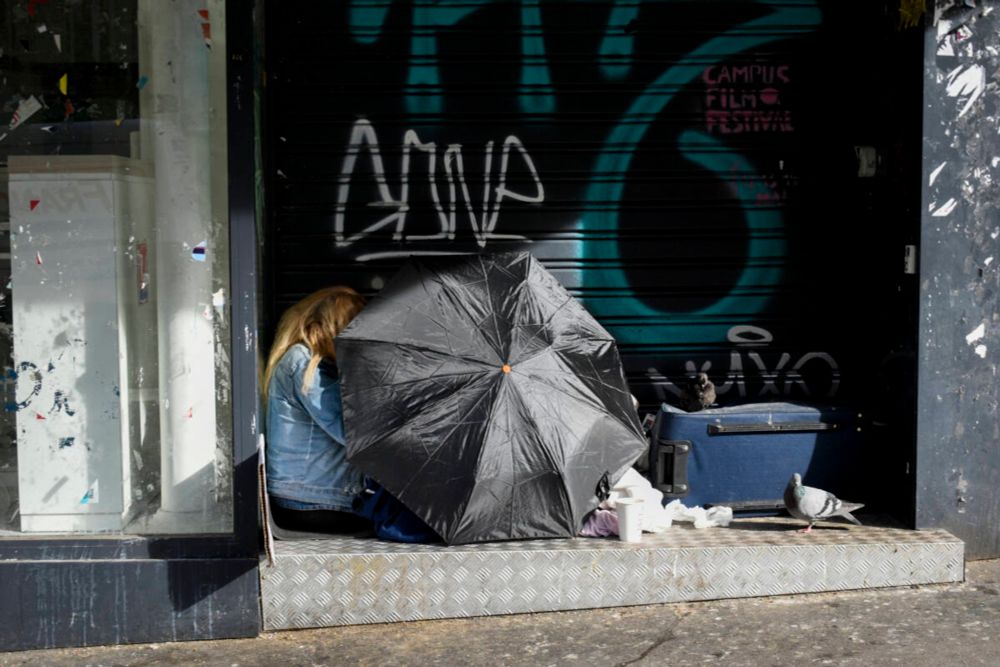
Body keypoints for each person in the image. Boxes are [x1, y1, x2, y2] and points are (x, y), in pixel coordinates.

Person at [262, 286, 371, 533]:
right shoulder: (305, 362)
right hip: (312, 501)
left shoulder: (306, 359)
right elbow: (352, 432)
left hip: (311, 497)